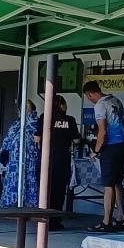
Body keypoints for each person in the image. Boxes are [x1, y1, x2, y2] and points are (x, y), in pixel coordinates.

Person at [84, 80, 124, 232]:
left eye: (88, 97)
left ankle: (106, 222)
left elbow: (102, 131)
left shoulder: (100, 105)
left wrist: (96, 151)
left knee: (108, 185)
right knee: (118, 182)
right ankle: (122, 217)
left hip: (111, 146)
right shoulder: (115, 99)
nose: (89, 100)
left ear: (90, 94)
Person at [0, 101, 41, 208]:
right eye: (22, 108)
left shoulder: (36, 122)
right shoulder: (16, 124)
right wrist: (4, 152)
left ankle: (29, 204)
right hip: (13, 160)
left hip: (29, 159)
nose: (24, 110)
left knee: (29, 181)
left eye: (27, 107)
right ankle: (12, 203)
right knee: (13, 182)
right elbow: (8, 138)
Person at [47, 94, 80, 229]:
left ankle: (44, 221)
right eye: (65, 103)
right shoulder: (70, 120)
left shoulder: (45, 118)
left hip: (46, 161)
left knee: (46, 191)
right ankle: (55, 221)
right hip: (62, 160)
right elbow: (77, 140)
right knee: (59, 192)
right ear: (61, 105)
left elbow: (36, 138)